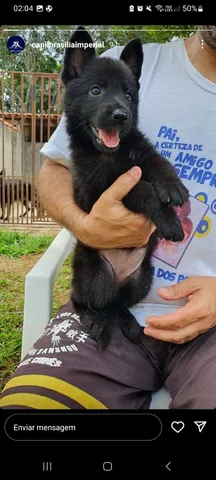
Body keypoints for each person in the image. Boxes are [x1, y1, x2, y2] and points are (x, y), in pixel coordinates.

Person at [1, 25, 216, 410]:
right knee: (27, 413)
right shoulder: (118, 64)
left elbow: (147, 162)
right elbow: (55, 170)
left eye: (126, 99)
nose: (119, 107)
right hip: (105, 302)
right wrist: (85, 226)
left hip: (209, 330)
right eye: (101, 92)